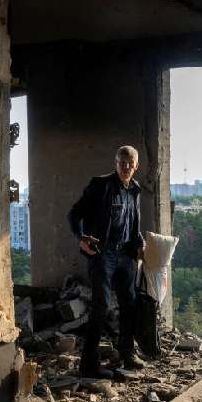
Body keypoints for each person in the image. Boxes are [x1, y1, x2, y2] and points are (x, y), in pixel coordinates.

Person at [68, 145, 146, 378]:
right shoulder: (100, 185)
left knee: (129, 305)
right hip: (103, 254)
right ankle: (88, 364)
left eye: (130, 163)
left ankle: (127, 354)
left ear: (136, 166)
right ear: (115, 163)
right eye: (122, 162)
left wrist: (140, 241)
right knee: (101, 306)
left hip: (126, 256)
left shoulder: (135, 189)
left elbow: (131, 223)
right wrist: (80, 237)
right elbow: (74, 213)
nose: (126, 167)